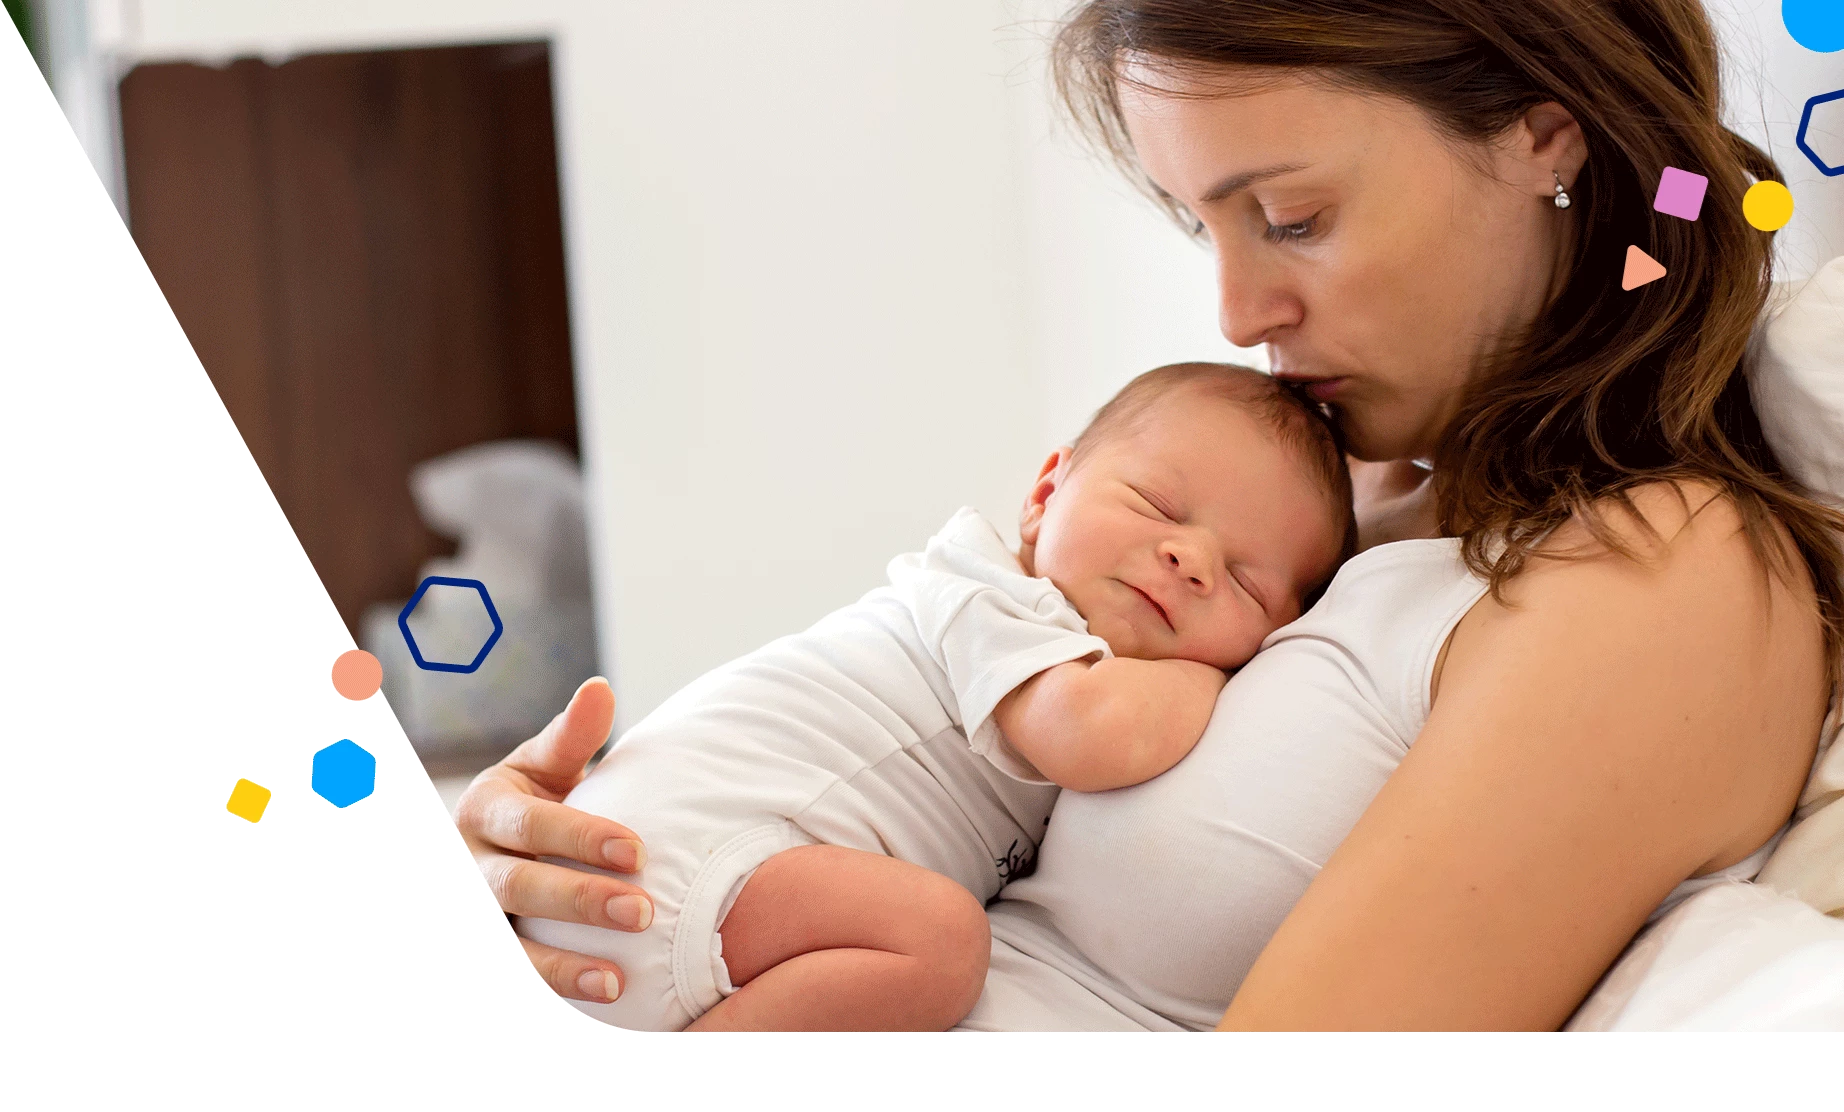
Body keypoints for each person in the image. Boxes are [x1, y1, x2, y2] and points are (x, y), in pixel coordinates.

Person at [454, 0, 1841, 1030]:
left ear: (1549, 138)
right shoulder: (1304, 497)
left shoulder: (1668, 577)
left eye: (1290, 218)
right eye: (1203, 231)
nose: (1240, 316)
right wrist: (627, 845)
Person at [516, 364, 1353, 1031]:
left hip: (703, 908)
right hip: (673, 867)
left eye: (1246, 581)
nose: (1190, 559)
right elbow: (1090, 737)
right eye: (1157, 505)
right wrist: (1211, 665)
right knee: (945, 945)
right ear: (1042, 496)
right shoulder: (991, 593)